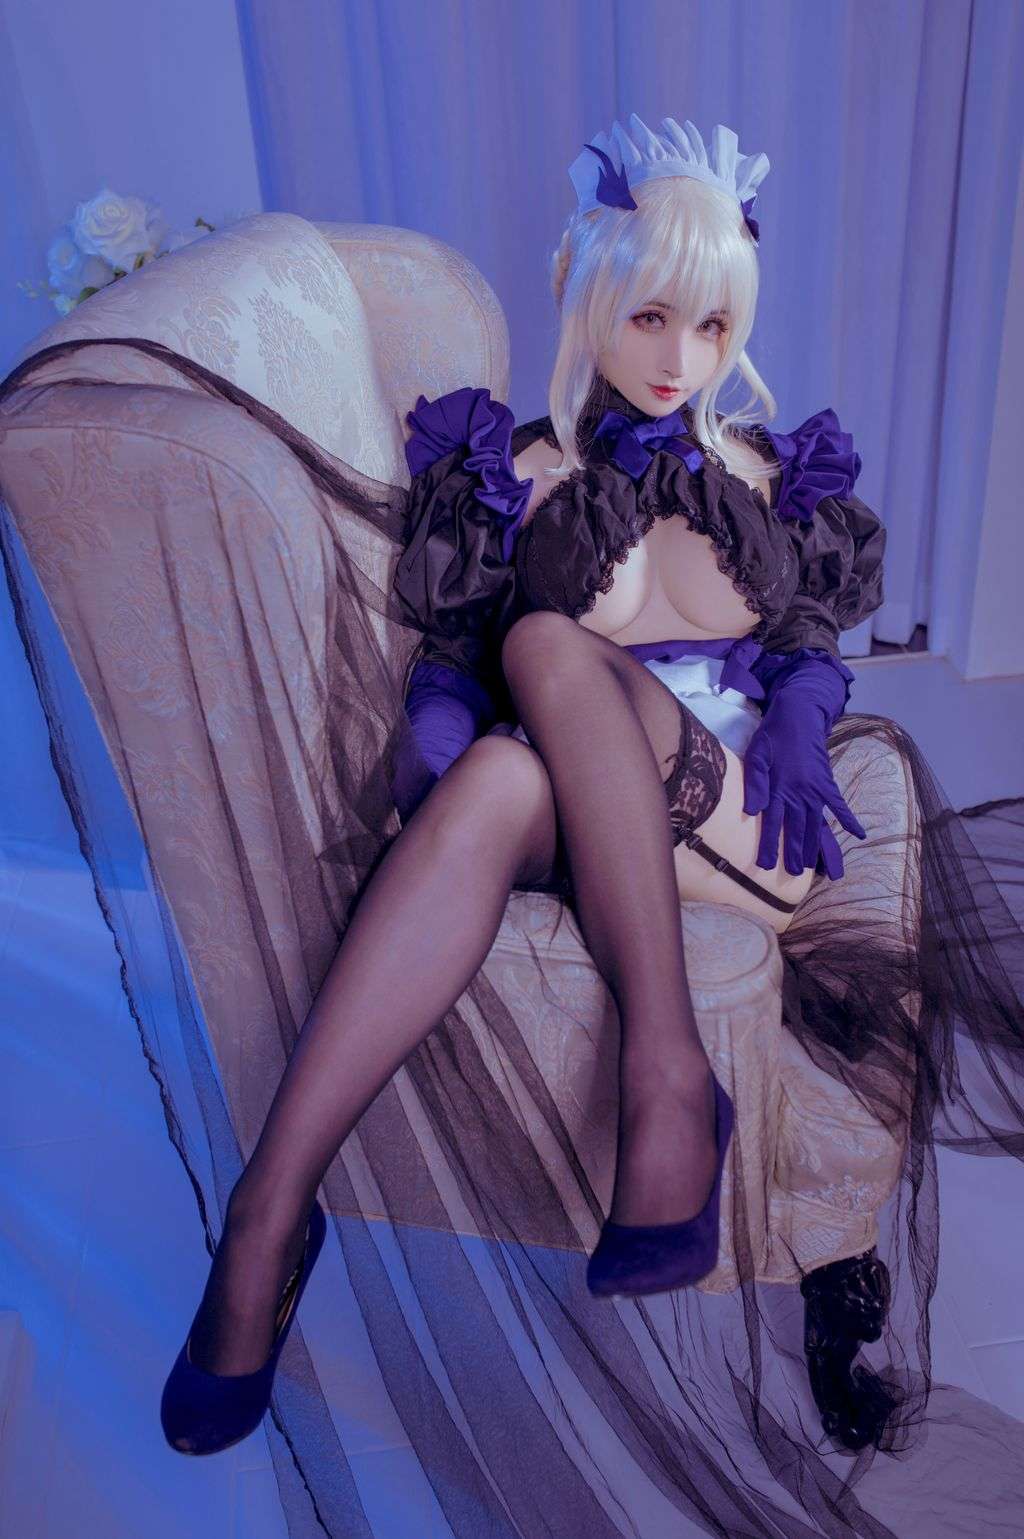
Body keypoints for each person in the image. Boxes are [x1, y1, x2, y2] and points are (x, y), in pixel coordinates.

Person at [4, 114, 1024, 1537]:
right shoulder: (509, 474)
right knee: (493, 766)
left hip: (742, 823)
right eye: (650, 314)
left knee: (547, 647)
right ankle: (275, 1207)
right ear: (586, 294)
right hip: (582, 809)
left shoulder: (768, 471)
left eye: (712, 323)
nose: (679, 357)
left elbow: (803, 642)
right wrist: (435, 754)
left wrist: (801, 717)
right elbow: (449, 665)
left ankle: (640, 1076)